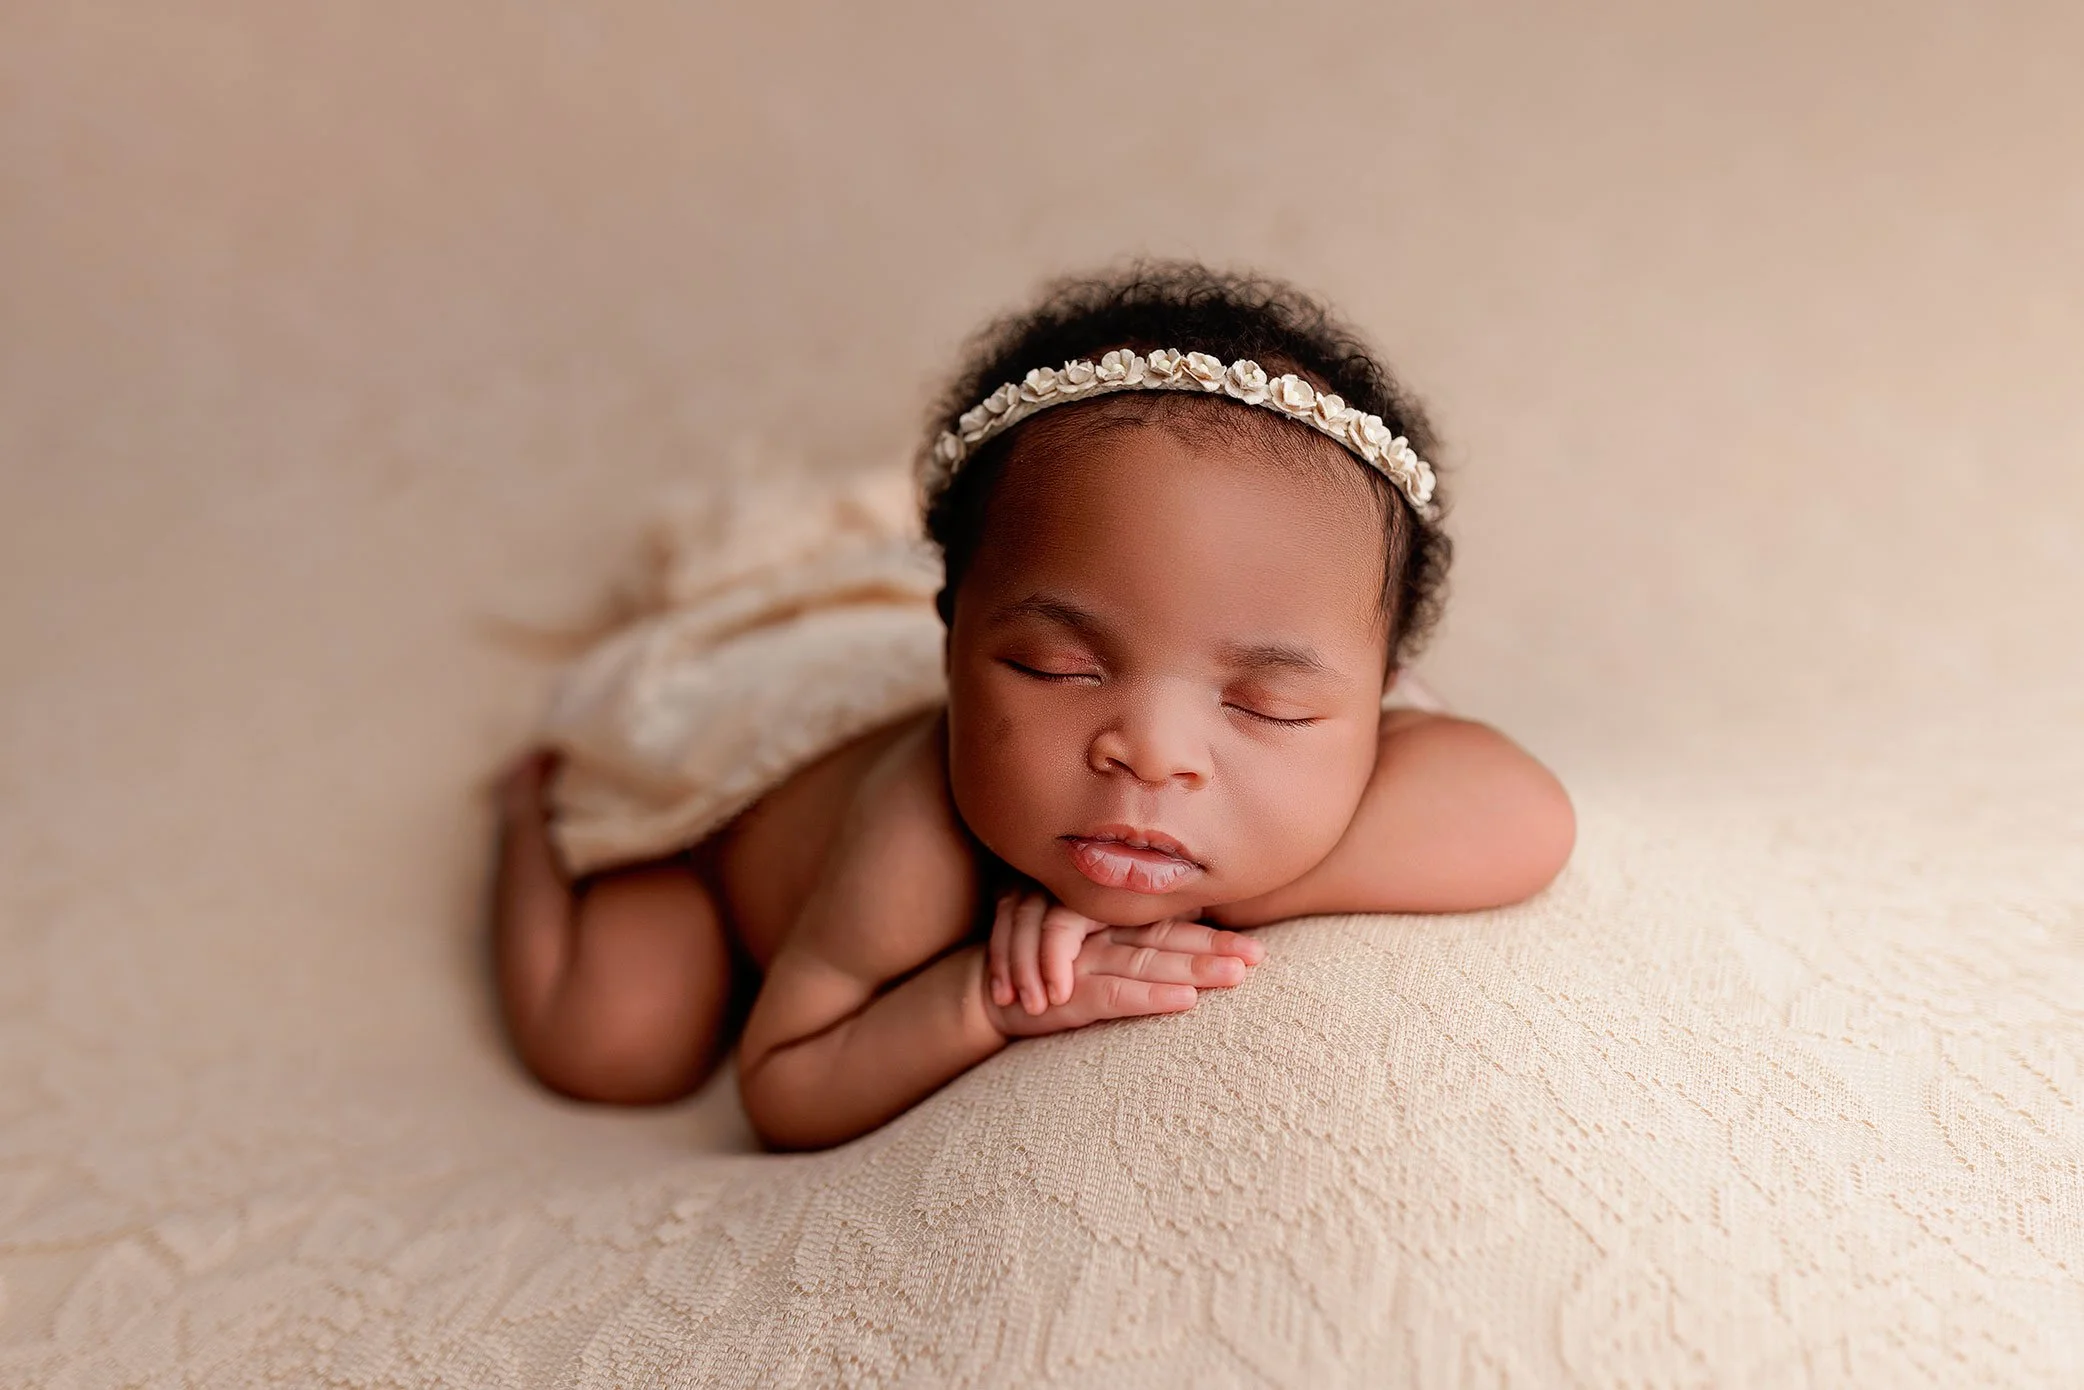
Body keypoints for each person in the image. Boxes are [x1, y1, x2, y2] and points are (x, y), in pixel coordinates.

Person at [490, 262, 1576, 1151]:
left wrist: (1199, 892)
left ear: (1377, 694)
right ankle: (528, 825)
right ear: (952, 643)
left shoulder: (1332, 722)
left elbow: (1526, 818)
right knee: (618, 1045)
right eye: (1057, 667)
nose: (1150, 754)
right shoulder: (914, 842)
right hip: (731, 808)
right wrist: (981, 1001)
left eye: (1267, 705)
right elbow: (784, 1080)